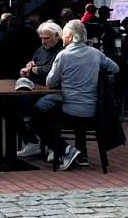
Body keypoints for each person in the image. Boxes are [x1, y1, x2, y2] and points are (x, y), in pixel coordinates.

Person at [18, 20, 119, 169]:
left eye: (64, 35)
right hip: (93, 109)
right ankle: (74, 153)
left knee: (37, 120)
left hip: (70, 109)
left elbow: (50, 83)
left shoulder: (63, 55)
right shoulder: (95, 53)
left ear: (70, 37)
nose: (63, 39)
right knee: (47, 111)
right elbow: (114, 68)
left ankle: (65, 150)